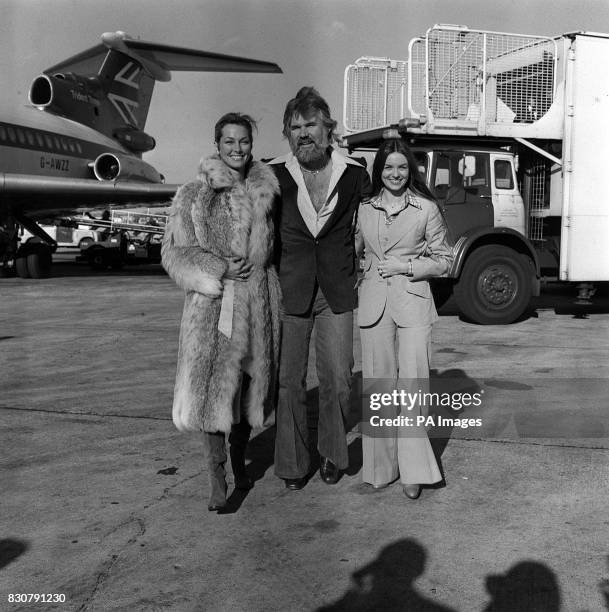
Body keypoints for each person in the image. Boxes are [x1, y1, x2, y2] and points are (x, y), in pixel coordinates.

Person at [162, 113, 281, 511]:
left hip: (258, 301)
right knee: (212, 391)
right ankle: (217, 476)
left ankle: (238, 456)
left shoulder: (266, 191)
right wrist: (218, 267)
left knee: (248, 390)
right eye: (229, 141)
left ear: (251, 144)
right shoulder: (194, 195)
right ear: (218, 145)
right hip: (214, 307)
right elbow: (174, 252)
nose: (237, 149)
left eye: (243, 141)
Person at [267, 87, 371, 490]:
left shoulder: (355, 174)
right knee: (289, 382)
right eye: (295, 128)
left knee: (338, 380)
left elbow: (370, 225)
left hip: (336, 291)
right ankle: (292, 466)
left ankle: (331, 453)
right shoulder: (273, 175)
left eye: (311, 125)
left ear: (329, 129)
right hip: (290, 290)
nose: (303, 134)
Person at [356, 138, 453, 499]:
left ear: (410, 170)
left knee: (412, 386)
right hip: (373, 304)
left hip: (413, 305)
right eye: (388, 167)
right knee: (379, 387)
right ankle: (381, 468)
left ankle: (413, 471)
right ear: (378, 170)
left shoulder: (426, 208)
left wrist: (407, 266)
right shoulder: (363, 208)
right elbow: (354, 251)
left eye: (401, 167)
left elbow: (444, 260)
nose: (395, 174)